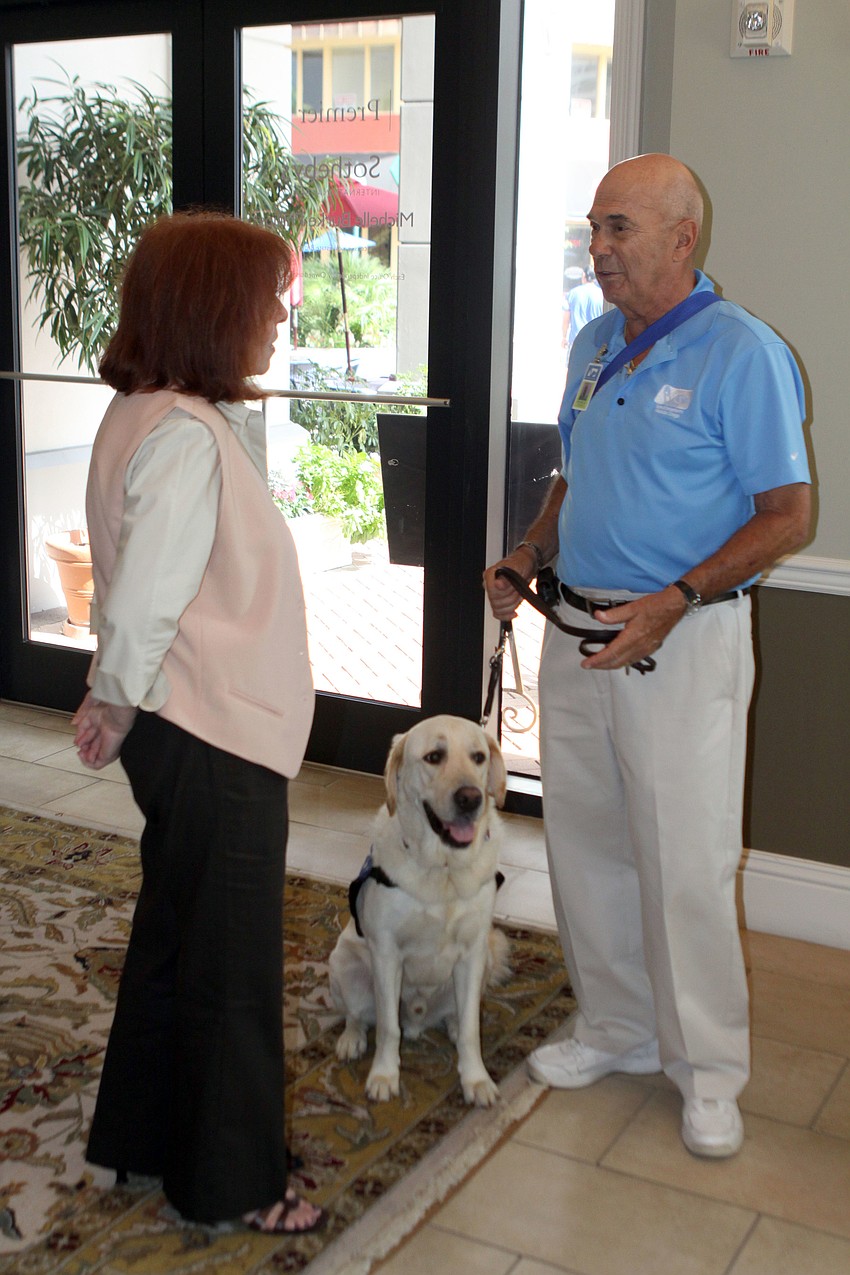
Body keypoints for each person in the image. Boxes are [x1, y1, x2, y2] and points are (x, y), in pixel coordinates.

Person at [484, 154, 811, 1159]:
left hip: (681, 639)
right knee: (585, 847)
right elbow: (570, 476)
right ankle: (617, 1030)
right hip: (576, 633)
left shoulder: (743, 353)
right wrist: (529, 551)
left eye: (619, 229)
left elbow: (787, 516)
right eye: (593, 228)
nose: (599, 249)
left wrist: (675, 599)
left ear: (681, 238)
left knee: (683, 864)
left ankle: (706, 1073)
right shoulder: (589, 343)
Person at [72, 212, 322, 1232]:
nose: (277, 317)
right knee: (229, 966)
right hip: (210, 730)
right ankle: (234, 1182)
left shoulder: (143, 413)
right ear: (217, 306)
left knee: (178, 936)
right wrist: (112, 696)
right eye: (268, 297)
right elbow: (142, 598)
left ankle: (140, 1135)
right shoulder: (182, 435)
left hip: (190, 725)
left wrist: (120, 694)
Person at [562, 266, 604, 355]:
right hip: (595, 342)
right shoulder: (602, 295)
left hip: (576, 340)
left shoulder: (573, 293)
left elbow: (566, 318)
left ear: (584, 276)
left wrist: (564, 337)